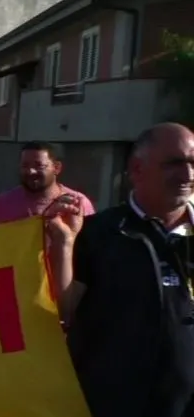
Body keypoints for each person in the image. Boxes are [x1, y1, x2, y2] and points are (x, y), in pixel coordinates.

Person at [53, 123, 194, 417]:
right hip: (115, 405)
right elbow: (64, 312)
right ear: (137, 169)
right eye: (174, 163)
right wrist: (64, 246)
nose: (188, 174)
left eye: (193, 163)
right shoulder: (99, 233)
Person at [0, 141, 95, 227]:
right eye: (25, 166)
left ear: (56, 168)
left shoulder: (78, 203)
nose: (31, 171)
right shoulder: (2, 205)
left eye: (39, 166)